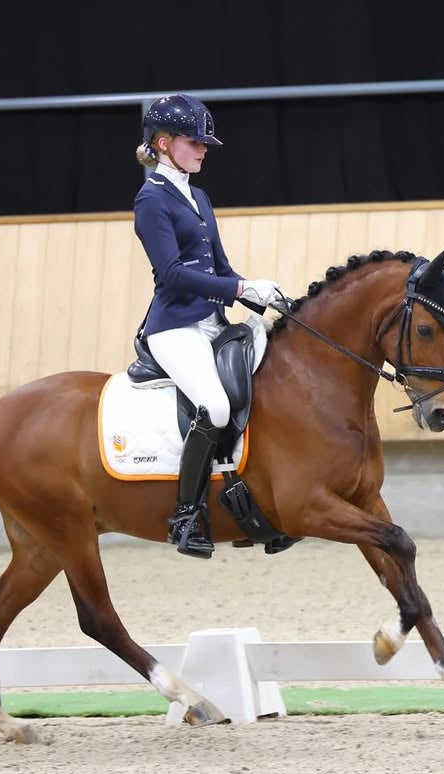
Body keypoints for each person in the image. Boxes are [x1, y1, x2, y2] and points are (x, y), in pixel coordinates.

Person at [133, 93, 282, 559]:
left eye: (204, 144)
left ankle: (258, 506)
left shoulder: (198, 196)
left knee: (273, 382)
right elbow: (172, 274)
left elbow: (219, 266)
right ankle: (185, 514)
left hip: (213, 322)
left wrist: (257, 292)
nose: (202, 150)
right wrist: (238, 291)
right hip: (175, 327)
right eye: (194, 142)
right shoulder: (151, 200)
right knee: (216, 408)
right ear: (162, 143)